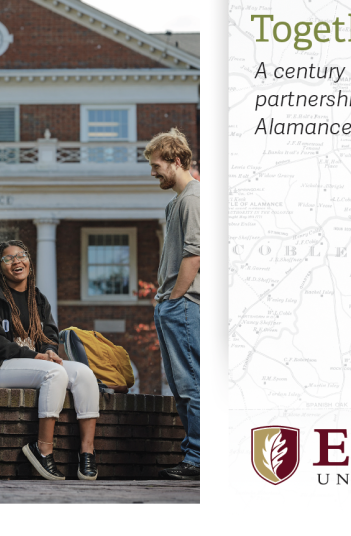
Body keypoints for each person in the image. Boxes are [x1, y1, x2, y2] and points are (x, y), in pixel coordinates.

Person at [0, 240, 100, 481]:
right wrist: (37, 356)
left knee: (83, 373)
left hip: (33, 362)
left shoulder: (37, 298)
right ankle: (42, 449)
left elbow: (50, 334)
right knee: (55, 373)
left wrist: (50, 350)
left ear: (29, 261)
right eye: (8, 259)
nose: (16, 261)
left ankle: (87, 452)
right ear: (0, 268)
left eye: (21, 255)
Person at [145, 128, 200, 480]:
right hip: (171, 305)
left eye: (156, 165)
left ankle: (198, 459)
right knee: (182, 386)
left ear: (176, 161)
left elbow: (195, 256)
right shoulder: (175, 202)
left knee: (193, 383)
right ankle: (194, 454)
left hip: (184, 305)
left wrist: (174, 298)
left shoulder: (194, 199)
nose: (153, 173)